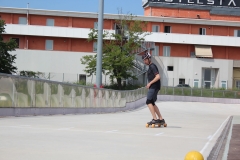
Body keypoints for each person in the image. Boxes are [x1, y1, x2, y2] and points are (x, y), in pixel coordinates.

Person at [142, 51, 166, 127]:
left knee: (148, 101)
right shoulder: (151, 66)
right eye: (144, 60)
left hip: (154, 86)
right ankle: (161, 119)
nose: (144, 61)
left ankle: (154, 119)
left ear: (149, 59)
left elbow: (158, 76)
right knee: (152, 102)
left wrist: (150, 83)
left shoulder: (152, 66)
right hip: (155, 86)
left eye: (145, 60)